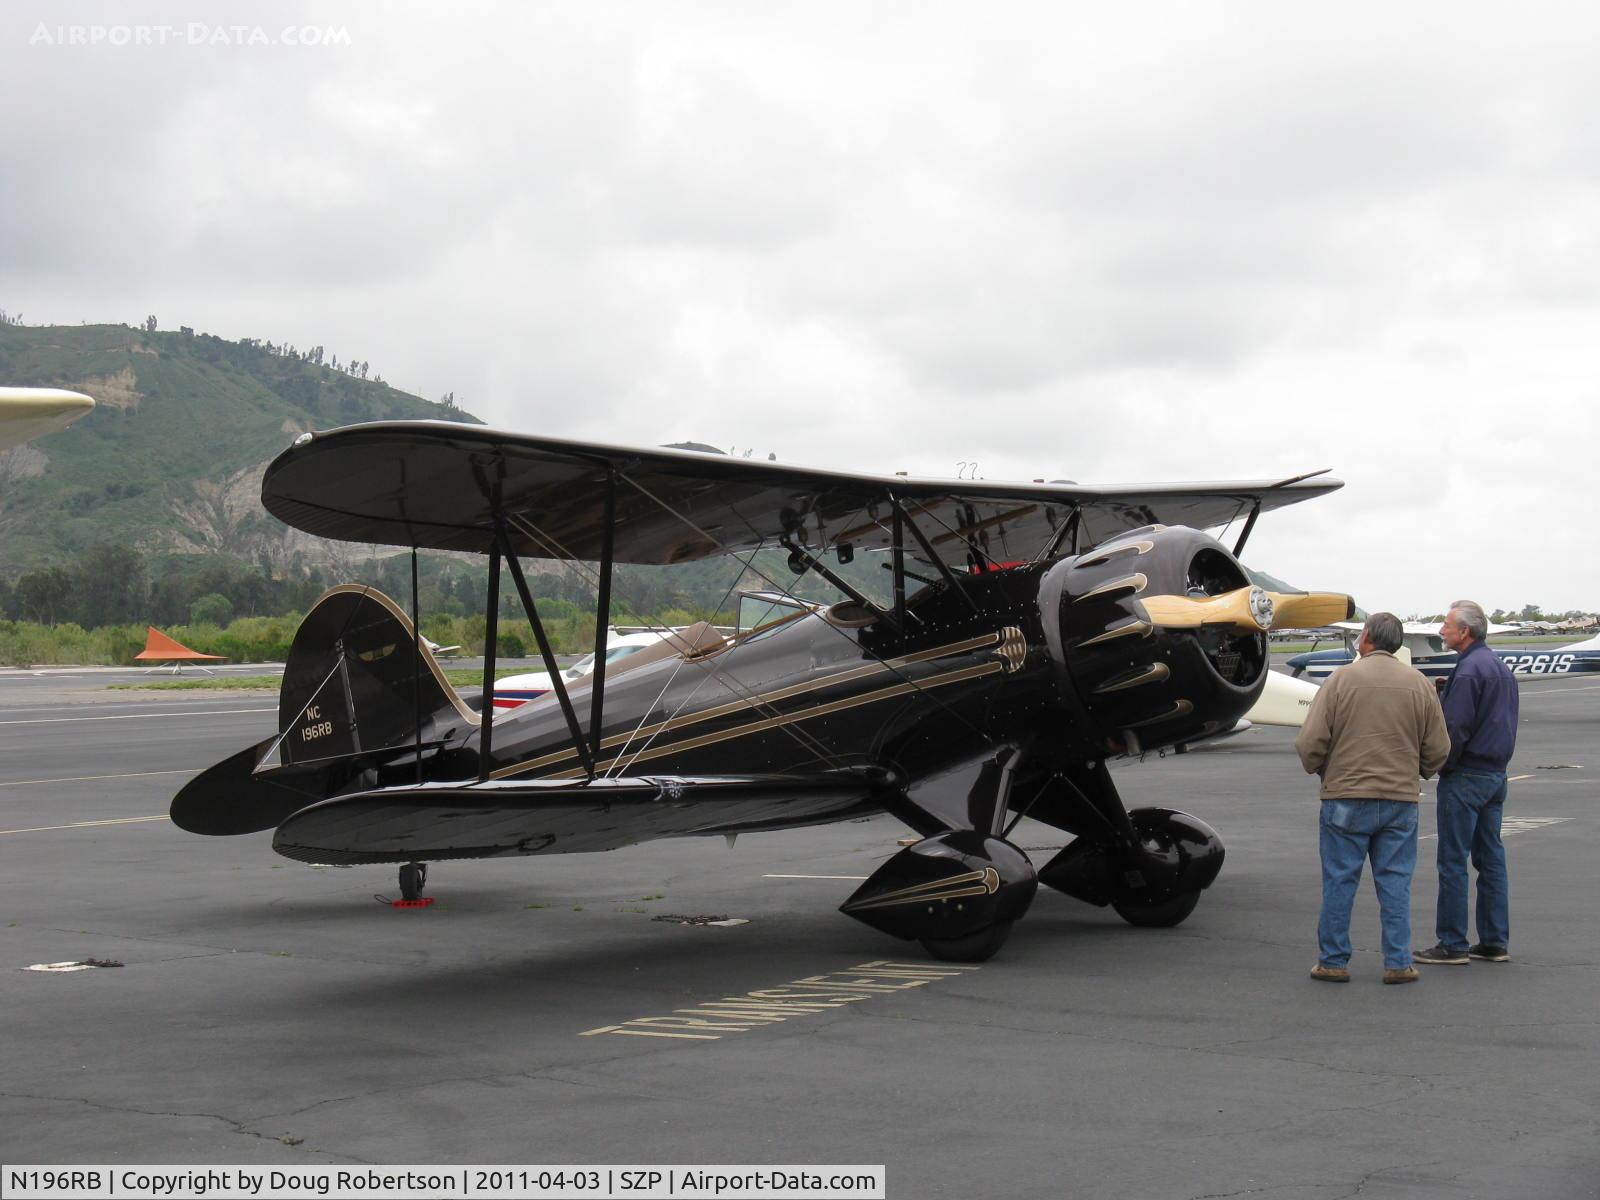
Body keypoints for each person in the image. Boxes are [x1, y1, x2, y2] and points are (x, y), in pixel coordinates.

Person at [1295, 612, 1450, 984]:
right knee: (1395, 882)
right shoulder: (1419, 684)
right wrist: (1419, 772)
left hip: (1345, 795)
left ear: (1366, 638)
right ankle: (1398, 961)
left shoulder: (1340, 680)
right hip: (1399, 797)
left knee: (1340, 880)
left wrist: (1323, 771)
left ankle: (1333, 960)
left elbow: (1310, 742)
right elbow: (1439, 747)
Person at [1415, 600, 1519, 966]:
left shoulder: (1470, 669)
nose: (1442, 630)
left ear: (1465, 632)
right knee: (1490, 859)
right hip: (1496, 773)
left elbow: (1454, 730)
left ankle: (1452, 943)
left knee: (1452, 861)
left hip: (1467, 776)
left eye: (1446, 625)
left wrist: (1438, 765)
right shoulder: (1499, 668)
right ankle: (1494, 940)